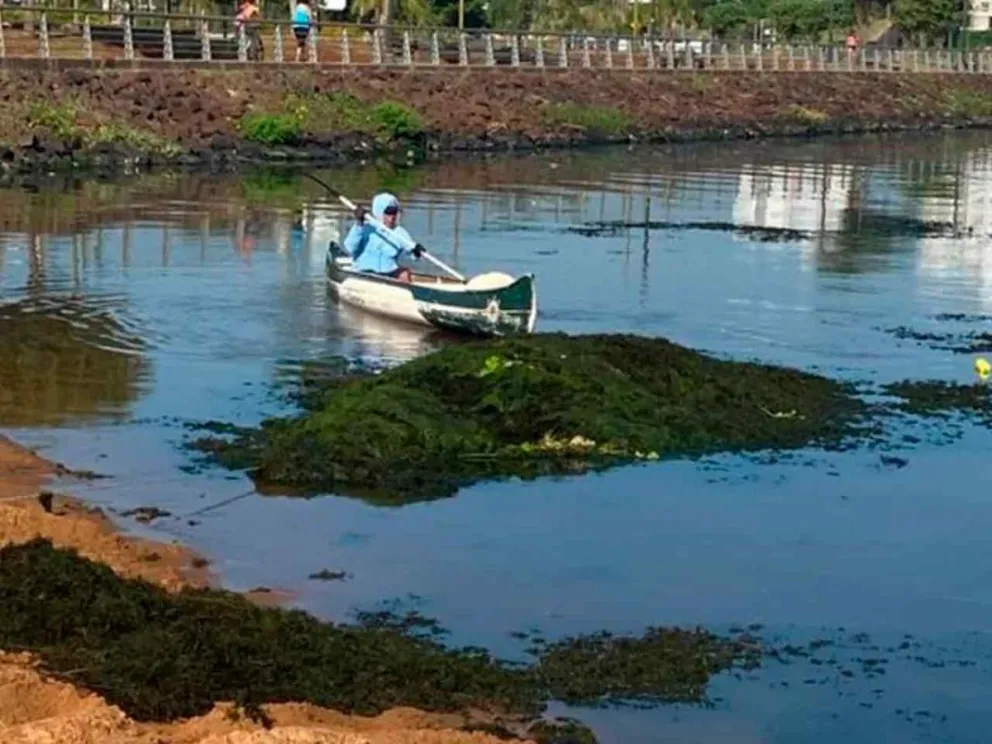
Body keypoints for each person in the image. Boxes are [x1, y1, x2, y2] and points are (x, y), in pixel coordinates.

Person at [342, 192, 424, 283]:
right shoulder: (365, 227)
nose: (392, 217)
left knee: (405, 274)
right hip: (364, 272)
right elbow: (349, 247)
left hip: (388, 273)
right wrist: (359, 224)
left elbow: (412, 254)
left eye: (394, 212)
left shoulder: (400, 233)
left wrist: (417, 252)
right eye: (388, 213)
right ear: (379, 212)